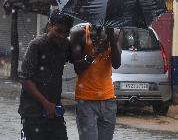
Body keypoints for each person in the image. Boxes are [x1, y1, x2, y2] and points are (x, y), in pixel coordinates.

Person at [18, 9, 74, 140]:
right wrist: (45, 103)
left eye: (65, 33)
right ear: (50, 26)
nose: (61, 36)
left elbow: (78, 62)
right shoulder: (36, 45)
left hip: (54, 110)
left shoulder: (65, 45)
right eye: (58, 31)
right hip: (32, 111)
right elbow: (26, 79)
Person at [70, 23, 123, 140]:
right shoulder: (78, 33)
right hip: (86, 99)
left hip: (108, 99)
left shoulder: (116, 33)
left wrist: (111, 39)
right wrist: (95, 52)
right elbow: (78, 69)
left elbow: (117, 64)